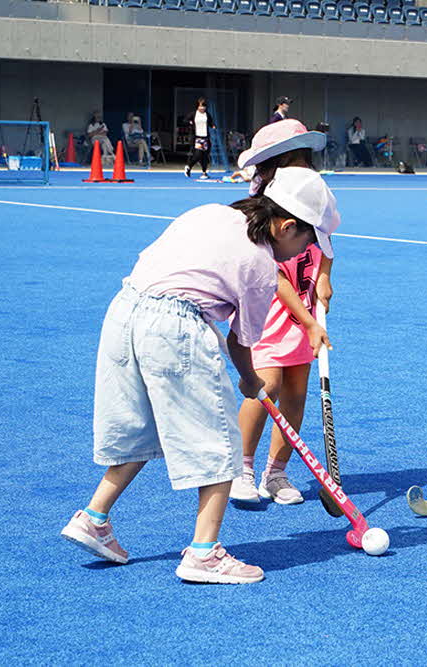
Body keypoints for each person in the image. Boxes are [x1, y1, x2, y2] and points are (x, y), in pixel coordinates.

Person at [60, 167, 336, 584]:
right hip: (175, 326)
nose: (305, 250)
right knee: (220, 439)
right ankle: (204, 553)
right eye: (307, 240)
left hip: (124, 312)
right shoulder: (261, 266)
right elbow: (242, 344)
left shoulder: (211, 211)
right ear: (286, 226)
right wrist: (249, 380)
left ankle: (94, 517)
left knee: (142, 426)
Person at [229, 123, 340, 505]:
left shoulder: (314, 190)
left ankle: (275, 473)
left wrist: (323, 278)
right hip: (271, 308)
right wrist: (307, 320)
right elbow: (270, 271)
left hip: (306, 299)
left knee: (295, 391)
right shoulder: (263, 202)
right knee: (267, 385)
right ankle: (240, 469)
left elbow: (327, 239)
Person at [185, 97, 216, 179]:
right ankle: (189, 166)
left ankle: (204, 172)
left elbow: (210, 122)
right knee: (198, 155)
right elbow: (185, 120)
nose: (202, 108)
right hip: (197, 138)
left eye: (204, 106)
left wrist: (212, 126)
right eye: (200, 106)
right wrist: (190, 122)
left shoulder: (207, 114)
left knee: (205, 156)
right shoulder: (193, 114)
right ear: (197, 106)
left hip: (205, 137)